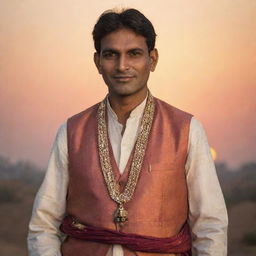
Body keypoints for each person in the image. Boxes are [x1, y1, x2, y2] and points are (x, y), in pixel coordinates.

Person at [27, 8, 228, 256]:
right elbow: (43, 225)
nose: (122, 66)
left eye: (133, 54)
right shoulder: (72, 132)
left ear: (152, 60)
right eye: (111, 54)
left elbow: (210, 227)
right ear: (97, 61)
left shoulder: (186, 130)